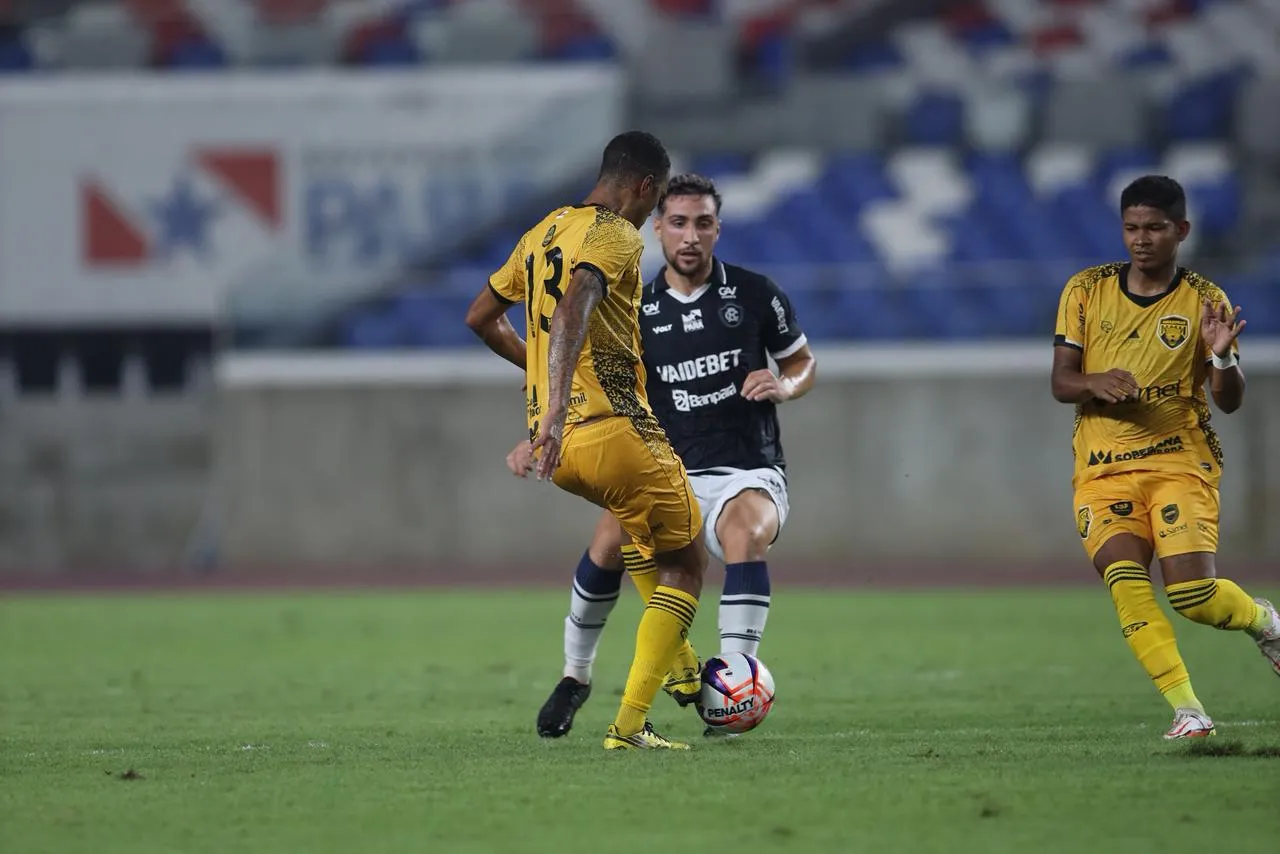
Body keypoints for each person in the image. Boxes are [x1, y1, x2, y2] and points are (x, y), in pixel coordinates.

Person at [522, 173, 816, 739]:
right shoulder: (632, 304)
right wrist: (545, 425)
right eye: (678, 223)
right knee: (608, 541)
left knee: (744, 532)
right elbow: (592, 377)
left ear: (718, 229)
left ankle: (732, 685)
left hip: (747, 468)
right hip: (667, 466)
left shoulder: (756, 294)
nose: (690, 236)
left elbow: (802, 362)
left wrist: (785, 384)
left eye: (703, 223)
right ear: (657, 228)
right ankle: (574, 675)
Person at [465, 131, 707, 751]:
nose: (651, 216)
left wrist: (549, 402)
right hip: (615, 429)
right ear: (646, 187)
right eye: (656, 203)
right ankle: (629, 727)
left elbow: (480, 317)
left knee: (635, 529)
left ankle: (683, 669)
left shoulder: (543, 232)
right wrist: (552, 409)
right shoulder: (616, 235)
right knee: (686, 563)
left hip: (565, 454)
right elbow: (575, 306)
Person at [1050, 175, 1280, 740]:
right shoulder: (1085, 290)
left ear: (1181, 230)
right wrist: (1095, 382)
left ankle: (1266, 622)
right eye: (1131, 227)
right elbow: (1061, 383)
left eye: (1154, 228)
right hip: (1102, 469)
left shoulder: (1204, 299)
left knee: (1193, 597)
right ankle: (1188, 710)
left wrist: (1222, 358)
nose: (1141, 239)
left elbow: (1229, 401)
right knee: (1125, 580)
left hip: (1178, 463)